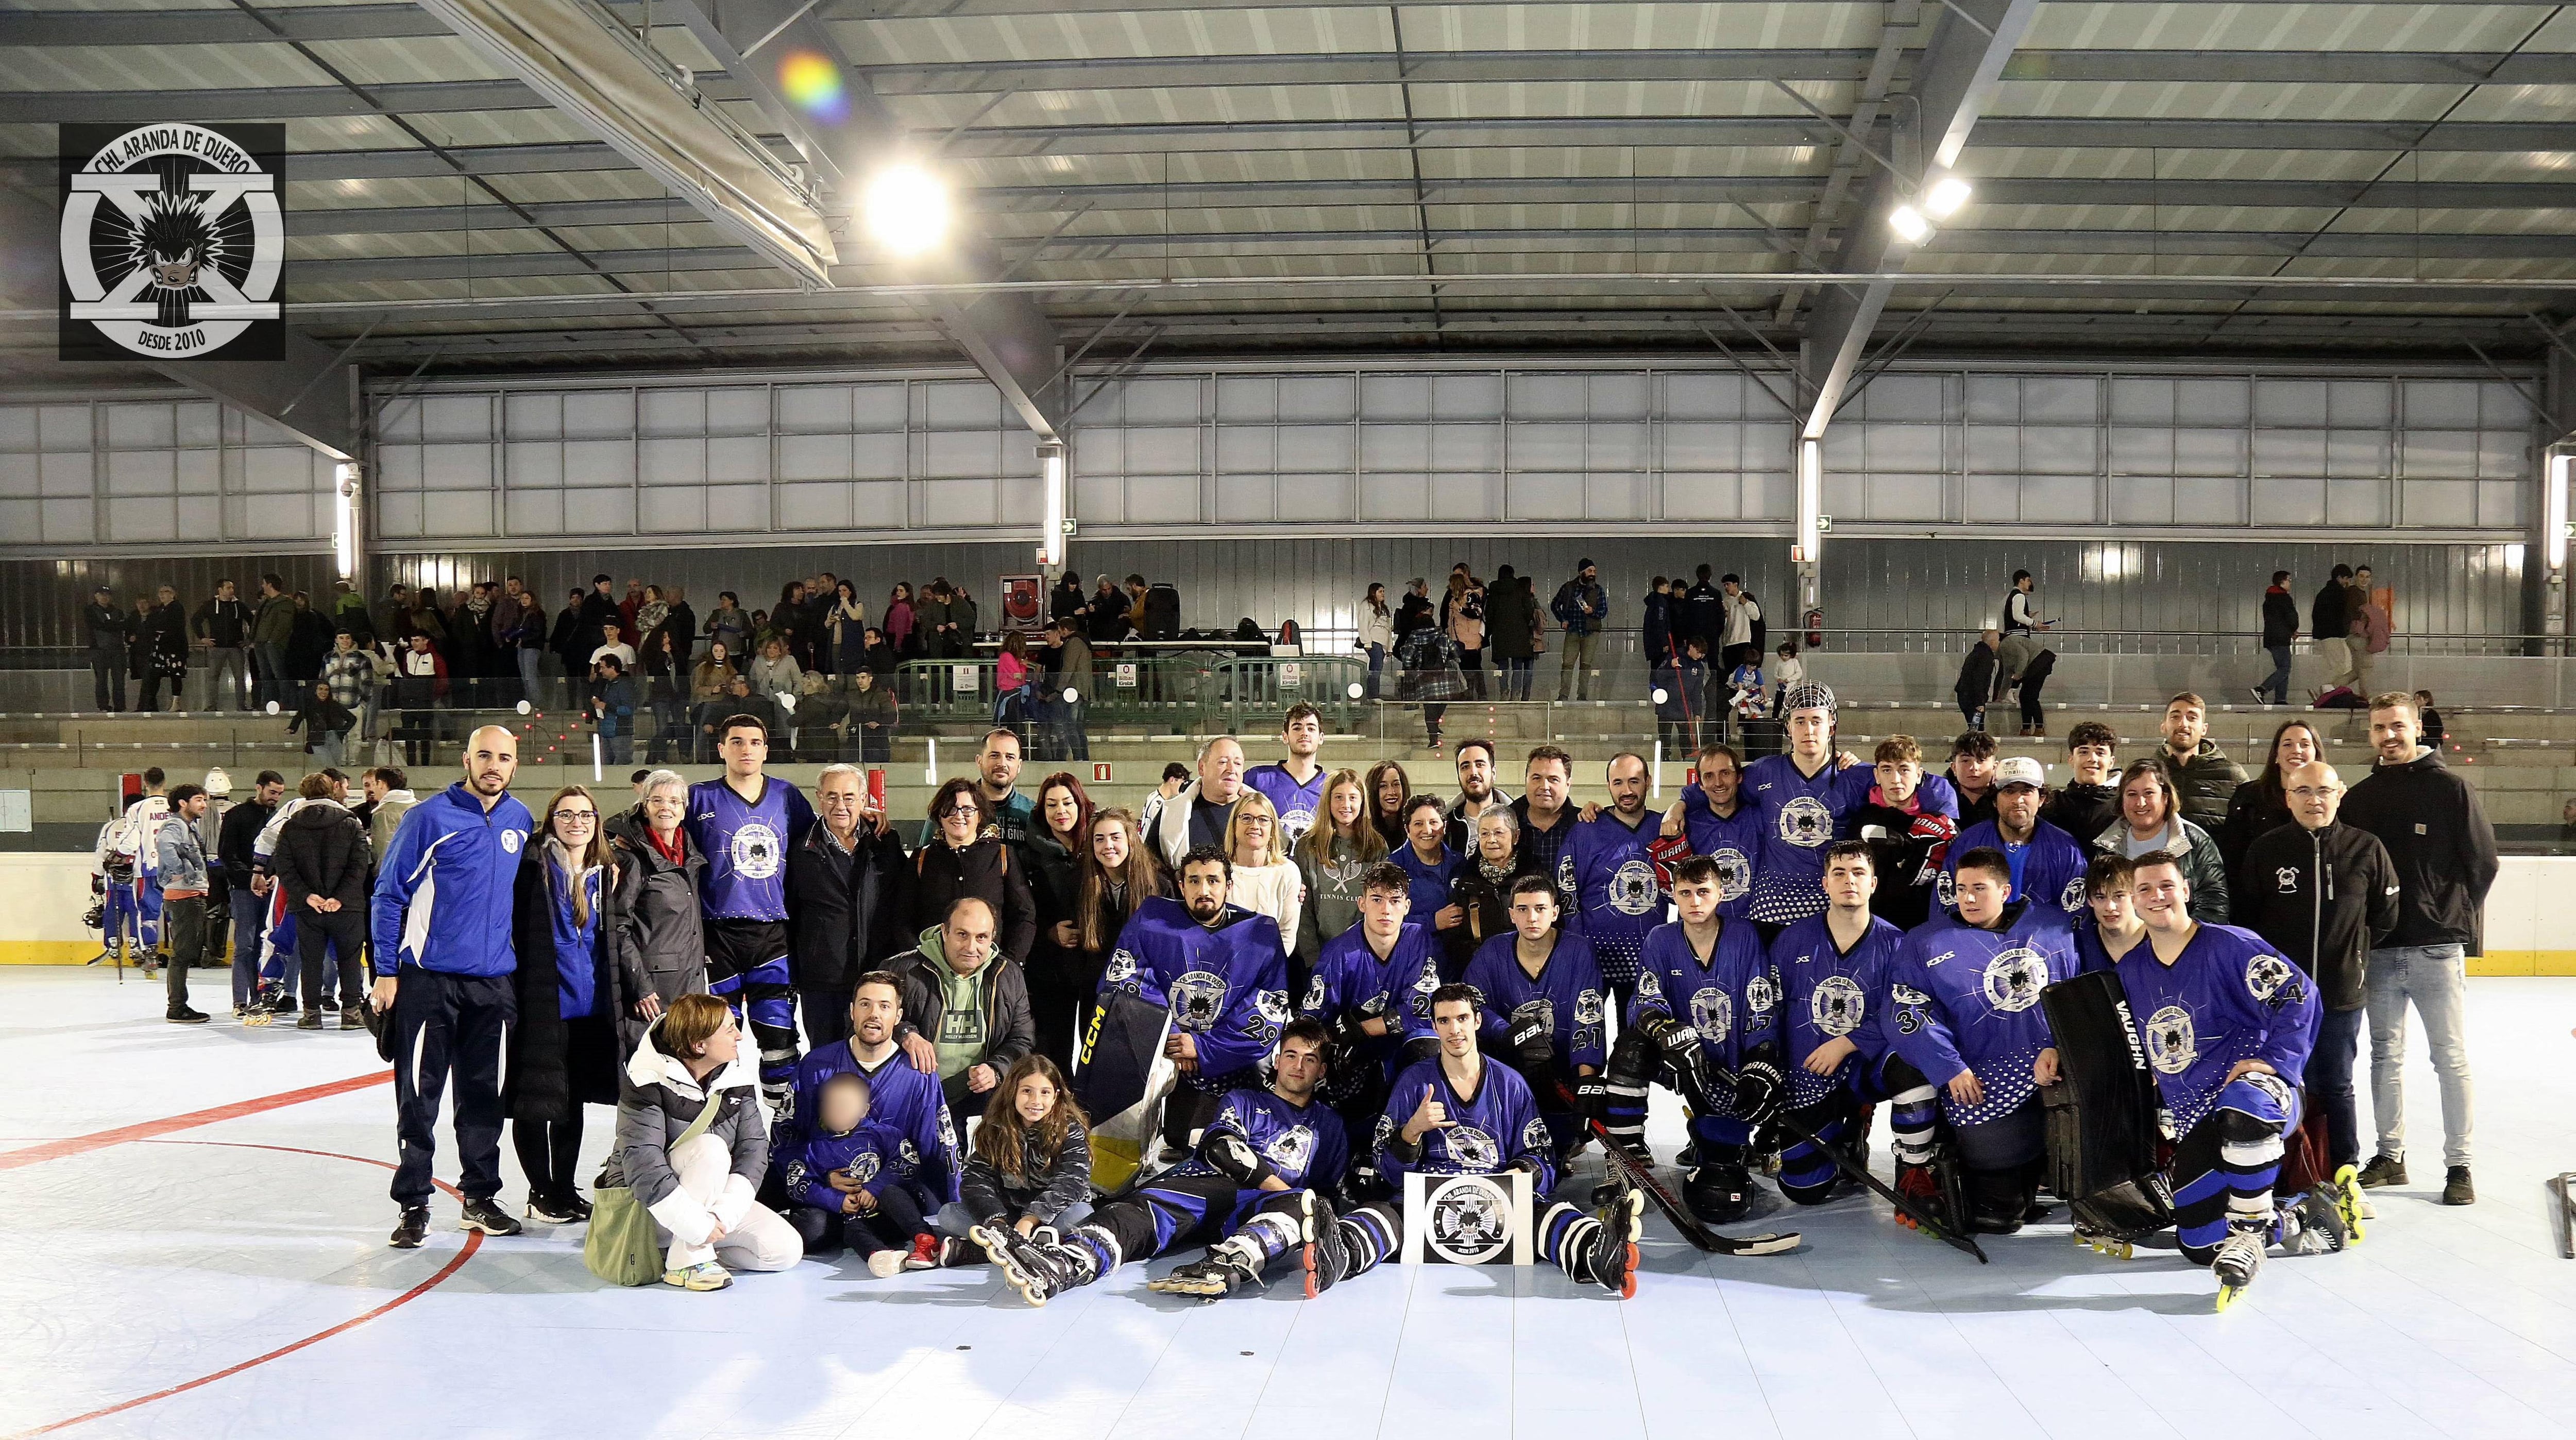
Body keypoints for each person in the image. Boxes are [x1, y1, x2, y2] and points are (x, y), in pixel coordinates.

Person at [2052, 851, 2336, 1306]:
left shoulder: (2232, 945)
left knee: (2242, 1110)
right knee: (2200, 1244)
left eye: (2165, 885)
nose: (2155, 895)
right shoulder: (2132, 969)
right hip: (2194, 1121)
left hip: (2257, 1099)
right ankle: (2301, 1216)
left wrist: (2276, 1060)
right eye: (2144, 889)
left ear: (2186, 890)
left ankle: (2248, 1234)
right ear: (2136, 903)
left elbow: (2299, 994)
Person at [982, 1020, 1349, 1306]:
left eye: (1310, 1059)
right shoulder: (1244, 1100)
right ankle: (1064, 1264)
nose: (1298, 1066)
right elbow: (1224, 1150)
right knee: (1134, 1216)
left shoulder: (1331, 1127)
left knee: (1308, 1205)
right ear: (1278, 1059)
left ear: (1321, 1071)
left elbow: (1327, 1197)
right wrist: (1286, 1190)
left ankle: (1232, 1260)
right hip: (1208, 1186)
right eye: (1291, 1054)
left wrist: (1296, 1202)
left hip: (1261, 1210)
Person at [1325, 985, 1642, 1298]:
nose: (1454, 1030)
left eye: (1462, 1018)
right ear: (1434, 1026)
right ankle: (1339, 1253)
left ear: (1477, 1021)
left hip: (1498, 1200)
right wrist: (1412, 1131)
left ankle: (1597, 1253)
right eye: (1445, 1021)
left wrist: (1520, 1175)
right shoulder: (1413, 1082)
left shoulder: (1510, 1083)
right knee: (1384, 1215)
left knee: (1548, 1214)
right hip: (1430, 1201)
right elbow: (1389, 1172)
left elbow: (1541, 1156)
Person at [371, 725, 537, 1248]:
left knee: (485, 1096)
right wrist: (385, 969)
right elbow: (387, 894)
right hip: (429, 979)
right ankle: (414, 1201)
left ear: (515, 765)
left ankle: (480, 1195)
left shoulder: (520, 819)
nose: (493, 765)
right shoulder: (428, 818)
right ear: (466, 758)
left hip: (494, 982)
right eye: (484, 755)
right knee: (418, 1099)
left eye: (503, 757)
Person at [2340, 691, 2494, 1206]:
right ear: (2370, 733)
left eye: (2397, 726)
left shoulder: (2451, 789)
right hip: (2380, 952)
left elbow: (2482, 863)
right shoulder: (2358, 798)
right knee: (2384, 1057)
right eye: (2378, 727)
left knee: (2449, 1057)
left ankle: (2459, 1164)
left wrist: (2449, 915)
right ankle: (2390, 1156)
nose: (2388, 735)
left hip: (2435, 949)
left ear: (2417, 728)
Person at [1885, 846, 2079, 1234]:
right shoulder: (1926, 941)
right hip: (1981, 1079)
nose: (1969, 898)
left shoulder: (2057, 927)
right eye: (1961, 888)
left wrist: (2062, 1045)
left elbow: (2081, 995)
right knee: (1999, 1217)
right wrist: (1949, 1066)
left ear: (2005, 890)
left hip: (2056, 1071)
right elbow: (1905, 1010)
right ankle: (1938, 1158)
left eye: (1979, 888)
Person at [2234, 759, 2398, 1208]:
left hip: (2342, 994)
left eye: (2323, 790)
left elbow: (2383, 918)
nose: (2314, 799)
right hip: (2281, 1001)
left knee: (2337, 1084)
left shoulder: (2366, 849)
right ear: (2288, 796)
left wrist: (2353, 957)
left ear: (2339, 793)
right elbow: (2247, 921)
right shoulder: (2266, 850)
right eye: (2303, 791)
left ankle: (2345, 1172)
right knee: (2287, 1083)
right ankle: (2289, 1174)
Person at [1600, 855, 1785, 1223]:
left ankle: (1734, 1138)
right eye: (1686, 892)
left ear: (1721, 893)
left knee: (1719, 1186)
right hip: (1684, 1062)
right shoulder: (1660, 938)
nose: (1695, 901)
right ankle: (1626, 1158)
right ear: (1673, 895)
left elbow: (1761, 1003)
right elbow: (1645, 998)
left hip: (1733, 1069)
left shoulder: (1743, 936)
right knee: (1630, 1048)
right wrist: (1663, 1028)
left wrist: (1760, 1058)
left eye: (1704, 891)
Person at [1095, 846, 1291, 1144]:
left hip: (1227, 1061)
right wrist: (1172, 1038)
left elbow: (1268, 1008)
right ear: (1180, 884)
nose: (1204, 890)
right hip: (1165, 1051)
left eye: (1213, 880)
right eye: (1194, 880)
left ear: (1229, 885)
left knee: (1222, 1145)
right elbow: (1125, 980)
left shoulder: (1260, 933)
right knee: (1163, 1139)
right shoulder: (1152, 920)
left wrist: (1202, 1047)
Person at [502, 785, 629, 1224]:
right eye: (567, 814)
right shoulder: (532, 869)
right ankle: (541, 1191)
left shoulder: (606, 872)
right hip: (542, 1003)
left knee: (570, 1103)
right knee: (536, 1101)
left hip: (589, 1008)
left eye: (586, 815)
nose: (577, 822)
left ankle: (565, 1188)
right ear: (551, 820)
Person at [613, 995, 801, 1290]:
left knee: (783, 1251)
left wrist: (721, 1215)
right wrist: (696, 1226)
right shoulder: (646, 1079)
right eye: (730, 1029)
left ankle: (687, 1250)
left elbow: (753, 1149)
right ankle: (687, 1262)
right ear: (699, 1045)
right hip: (647, 1208)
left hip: (707, 1201)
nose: (739, 1035)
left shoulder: (735, 1078)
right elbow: (643, 1164)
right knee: (710, 1148)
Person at [684, 715, 817, 1114]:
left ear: (766, 749)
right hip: (716, 936)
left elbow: (821, 841)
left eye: (755, 742)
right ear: (721, 748)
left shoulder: (787, 796)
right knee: (713, 1041)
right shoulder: (698, 797)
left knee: (779, 1039)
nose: (746, 749)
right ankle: (710, 1131)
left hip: (772, 935)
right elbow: (652, 825)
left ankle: (785, 1131)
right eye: (737, 741)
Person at [781, 973, 962, 1254]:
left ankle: (868, 1236)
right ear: (852, 1011)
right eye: (865, 1004)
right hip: (832, 1194)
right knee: (811, 1232)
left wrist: (954, 1208)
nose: (874, 1014)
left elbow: (937, 1146)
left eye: (885, 1006)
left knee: (900, 1215)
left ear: (898, 1016)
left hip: (892, 1195)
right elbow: (788, 1136)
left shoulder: (919, 1074)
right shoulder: (815, 1065)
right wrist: (824, 1179)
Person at [1768, 842, 1908, 1206]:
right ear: (1825, 884)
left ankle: (1914, 1168)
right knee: (1804, 1189)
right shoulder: (1791, 940)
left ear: (1874, 883)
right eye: (1839, 873)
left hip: (1867, 1067)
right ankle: (1842, 1136)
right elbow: (1771, 1009)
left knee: (1913, 1067)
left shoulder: (1897, 943)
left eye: (1859, 873)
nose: (1850, 881)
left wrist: (1848, 1042)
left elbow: (1906, 1014)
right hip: (1809, 1072)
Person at [1302, 860, 1444, 1182]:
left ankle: (1421, 1149)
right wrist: (1333, 1046)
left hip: (1398, 1043)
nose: (1386, 910)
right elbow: (1314, 1021)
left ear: (1407, 907)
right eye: (1377, 899)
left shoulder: (1418, 938)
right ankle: (1353, 1152)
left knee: (1428, 1046)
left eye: (1395, 901)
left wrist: (1364, 1029)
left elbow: (1421, 1011)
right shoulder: (1338, 953)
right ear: (1362, 903)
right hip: (1355, 1052)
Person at [1460, 873, 1606, 1160]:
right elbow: (1470, 1005)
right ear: (1511, 914)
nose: (1532, 918)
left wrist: (1586, 1081)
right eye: (1523, 910)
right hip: (1509, 1067)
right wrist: (1505, 1032)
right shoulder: (1493, 951)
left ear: (1555, 912)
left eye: (1540, 909)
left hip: (1561, 1070)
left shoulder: (1578, 950)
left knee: (1559, 1144)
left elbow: (1589, 1017)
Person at [783, 764, 905, 1052]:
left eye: (849, 797)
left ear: (864, 800)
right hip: (823, 980)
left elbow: (900, 903)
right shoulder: (800, 850)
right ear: (819, 798)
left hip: (877, 975)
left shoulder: (885, 842)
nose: (841, 805)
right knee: (827, 1061)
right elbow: (791, 912)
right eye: (832, 797)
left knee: (874, 1058)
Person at [778, 1070, 950, 1274]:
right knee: (849, 1229)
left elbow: (908, 1161)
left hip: (892, 1214)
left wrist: (875, 1188)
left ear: (864, 1110)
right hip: (853, 1219)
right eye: (832, 1106)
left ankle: (926, 1241)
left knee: (892, 1194)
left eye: (846, 1106)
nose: (839, 1111)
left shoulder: (884, 1134)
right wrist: (835, 1200)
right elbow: (797, 1184)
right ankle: (880, 1256)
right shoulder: (812, 1149)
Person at [891, 896, 1037, 1117]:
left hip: (980, 1102)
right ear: (944, 931)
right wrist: (906, 1034)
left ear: (992, 938)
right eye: (962, 935)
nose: (971, 947)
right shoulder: (902, 969)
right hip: (910, 1098)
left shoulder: (1009, 975)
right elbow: (862, 1023)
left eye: (981, 937)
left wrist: (997, 1070)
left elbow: (1022, 1038)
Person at [1743, 683, 1873, 931]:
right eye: (1800, 721)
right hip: (1772, 906)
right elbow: (1719, 785)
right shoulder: (1765, 771)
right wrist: (1682, 804)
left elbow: (1914, 783)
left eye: (1816, 720)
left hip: (1831, 904)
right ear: (1788, 728)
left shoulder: (1855, 776)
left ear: (1831, 727)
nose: (1809, 730)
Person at [602, 770, 710, 1056]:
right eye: (657, 800)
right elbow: (617, 927)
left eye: (675, 801)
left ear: (684, 810)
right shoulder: (630, 858)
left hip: (689, 983)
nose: (666, 808)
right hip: (653, 993)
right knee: (652, 1072)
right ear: (644, 806)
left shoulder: (690, 855)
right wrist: (640, 985)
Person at [943, 1054, 1094, 1252]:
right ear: (1013, 1092)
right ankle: (1026, 1246)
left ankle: (978, 1252)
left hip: (1050, 1216)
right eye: (1027, 1091)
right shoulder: (996, 1127)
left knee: (1082, 1214)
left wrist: (1031, 1219)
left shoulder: (1070, 1129)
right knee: (948, 1215)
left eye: (1045, 1093)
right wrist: (996, 1221)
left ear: (1056, 1096)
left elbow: (1072, 1181)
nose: (1036, 1101)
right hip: (1007, 1217)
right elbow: (976, 1180)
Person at [273, 768, 371, 1031]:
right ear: (333, 790)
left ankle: (311, 1014)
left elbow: (284, 866)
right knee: (350, 959)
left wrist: (307, 896)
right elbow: (360, 863)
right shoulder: (351, 822)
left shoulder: (291, 825)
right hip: (347, 907)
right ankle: (351, 1013)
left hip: (308, 908)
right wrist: (340, 897)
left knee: (311, 959)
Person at [1941, 757, 2090, 923]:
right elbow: (1947, 907)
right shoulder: (1968, 844)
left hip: (2041, 947)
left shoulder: (2067, 850)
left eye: (2027, 791)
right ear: (1994, 800)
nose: (2018, 800)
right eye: (2008, 791)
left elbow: (2075, 916)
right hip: (1976, 944)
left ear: (2041, 799)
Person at [1565, 752, 1662, 1005]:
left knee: (1637, 1038)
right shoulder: (1586, 831)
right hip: (1595, 954)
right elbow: (1566, 890)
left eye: (1634, 781)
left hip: (1649, 957)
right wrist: (1577, 945)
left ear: (1648, 782)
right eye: (1618, 782)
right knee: (1585, 1030)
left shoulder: (1665, 829)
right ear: (1608, 785)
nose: (1626, 790)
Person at [909, 777, 1039, 965]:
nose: (959, 816)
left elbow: (1024, 915)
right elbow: (903, 919)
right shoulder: (922, 858)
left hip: (991, 971)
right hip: (932, 972)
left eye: (968, 809)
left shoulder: (1003, 855)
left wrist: (1009, 964)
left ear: (980, 815)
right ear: (939, 816)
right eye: (950, 809)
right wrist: (920, 963)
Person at [1843, 735, 1957, 930]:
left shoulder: (1939, 822)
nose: (1896, 780)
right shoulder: (1861, 820)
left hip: (1926, 925)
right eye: (1887, 770)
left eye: (1904, 769)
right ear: (1877, 775)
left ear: (1919, 774)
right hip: (1872, 926)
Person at [1074, 807, 1165, 1048]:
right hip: (1096, 997)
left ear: (1131, 840)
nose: (1108, 846)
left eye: (1116, 837)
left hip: (1145, 997)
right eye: (1099, 839)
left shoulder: (1158, 886)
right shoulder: (1082, 886)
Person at [2097, 759, 2230, 922]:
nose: (2141, 803)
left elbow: (2214, 906)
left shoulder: (2196, 842)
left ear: (2166, 797)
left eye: (2149, 793)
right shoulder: (2105, 848)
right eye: (2132, 794)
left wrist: (2182, 940)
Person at [1020, 772, 1093, 1069]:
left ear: (1081, 805)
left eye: (1068, 802)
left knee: (1096, 1053)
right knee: (1052, 1055)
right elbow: (1020, 913)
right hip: (1049, 971)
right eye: (1052, 805)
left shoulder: (1100, 847)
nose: (1061, 811)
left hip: (1093, 968)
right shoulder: (1027, 856)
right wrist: (1050, 934)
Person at [1654, 740, 1764, 925]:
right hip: (1702, 932)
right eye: (1709, 776)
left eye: (1725, 773)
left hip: (1753, 929)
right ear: (1701, 784)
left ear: (1739, 777)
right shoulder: (1686, 825)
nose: (1718, 782)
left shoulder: (1762, 818)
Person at [1294, 768, 1386, 966]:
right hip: (1316, 958)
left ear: (1362, 803)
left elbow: (1378, 907)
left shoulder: (1377, 847)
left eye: (1353, 798)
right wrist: (1314, 960)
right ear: (1328, 801)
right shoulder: (1308, 845)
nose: (1346, 805)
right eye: (1338, 797)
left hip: (1361, 957)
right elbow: (1302, 909)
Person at [220, 770, 285, 1017]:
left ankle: (262, 997)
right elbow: (227, 854)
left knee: (267, 943)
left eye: (279, 794)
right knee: (245, 946)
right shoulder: (236, 816)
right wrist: (251, 879)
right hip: (243, 890)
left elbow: (282, 853)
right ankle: (240, 1001)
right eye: (272, 792)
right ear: (259, 788)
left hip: (271, 889)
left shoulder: (279, 817)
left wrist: (276, 875)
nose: (275, 798)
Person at [2218, 719, 2322, 874]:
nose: (2297, 750)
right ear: (2276, 756)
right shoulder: (2248, 798)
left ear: (2316, 754)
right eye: (2288, 744)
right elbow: (2232, 858)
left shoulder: (2332, 800)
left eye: (2305, 744)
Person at [1448, 806, 1538, 976]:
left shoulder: (1535, 877)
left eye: (1498, 833)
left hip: (1528, 970)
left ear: (1516, 836)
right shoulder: (1465, 881)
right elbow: (1455, 939)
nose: (1491, 840)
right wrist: (1483, 959)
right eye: (1485, 834)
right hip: (1480, 971)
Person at [1222, 789, 1304, 964]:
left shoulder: (1288, 872)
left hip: (1269, 970)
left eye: (1263, 820)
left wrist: (1260, 968)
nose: (1255, 826)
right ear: (1234, 825)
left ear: (1273, 828)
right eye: (1246, 818)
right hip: (1223, 965)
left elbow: (1287, 936)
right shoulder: (1218, 870)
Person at [155, 785, 214, 1024]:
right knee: (182, 954)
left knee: (187, 952)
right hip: (184, 896)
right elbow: (165, 845)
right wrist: (180, 872)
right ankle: (177, 1008)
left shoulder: (190, 827)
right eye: (199, 800)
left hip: (191, 894)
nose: (204, 805)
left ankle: (179, 1005)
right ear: (182, 803)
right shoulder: (175, 825)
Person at [1150, 733, 1249, 867]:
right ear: (1202, 767)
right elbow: (1150, 867)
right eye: (1223, 762)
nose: (1232, 770)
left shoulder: (1260, 814)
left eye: (1238, 763)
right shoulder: (1171, 813)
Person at [1389, 794, 1464, 959]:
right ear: (1407, 829)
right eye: (1418, 824)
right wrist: (1433, 922)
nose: (1427, 830)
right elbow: (1386, 919)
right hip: (1412, 961)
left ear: (1444, 827)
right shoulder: (1393, 867)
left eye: (1433, 822)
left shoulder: (1460, 863)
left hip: (1456, 963)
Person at [1244, 703, 1329, 845]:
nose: (1304, 733)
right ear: (1285, 737)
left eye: (1311, 728)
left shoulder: (1331, 786)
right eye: (1297, 728)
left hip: (1315, 866)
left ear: (1321, 738)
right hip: (1270, 866)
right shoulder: (1258, 779)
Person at [1513, 745, 1581, 915]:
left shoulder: (1585, 827)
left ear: (1568, 784)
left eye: (1553, 779)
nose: (1544, 786)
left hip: (1573, 927)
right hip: (1519, 929)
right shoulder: (1506, 826)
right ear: (1526, 781)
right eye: (1536, 778)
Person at [2042, 721, 2123, 843]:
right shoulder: (2051, 805)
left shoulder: (2124, 806)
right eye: (2084, 752)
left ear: (2111, 762)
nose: (2092, 759)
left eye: (2100, 753)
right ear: (2071, 759)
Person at [1437, 739, 1512, 855]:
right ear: (1459, 776)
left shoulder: (1517, 819)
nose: (1473, 772)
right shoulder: (1445, 824)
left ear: (1493, 773)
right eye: (1465, 767)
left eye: (1480, 764)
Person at [190, 579, 253, 711]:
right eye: (229, 588)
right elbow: (195, 620)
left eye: (232, 588)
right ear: (220, 590)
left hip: (235, 647)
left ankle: (241, 706)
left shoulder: (239, 606)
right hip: (216, 647)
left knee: (240, 678)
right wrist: (203, 638)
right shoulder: (210, 605)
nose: (232, 591)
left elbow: (253, 622)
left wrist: (248, 640)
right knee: (213, 678)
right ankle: (212, 706)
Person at [1550, 558, 1606, 701]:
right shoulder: (1568, 588)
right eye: (1590, 571)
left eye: (1594, 571)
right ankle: (1564, 694)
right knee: (1568, 663)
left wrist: (1592, 612)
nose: (1593, 574)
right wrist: (1563, 619)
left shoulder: (1598, 590)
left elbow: (1604, 611)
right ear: (1581, 572)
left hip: (1591, 631)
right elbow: (1555, 605)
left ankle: (1583, 695)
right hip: (1573, 630)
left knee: (1586, 664)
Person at [1487, 564, 1538, 701]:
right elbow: (1529, 610)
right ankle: (1516, 693)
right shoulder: (1520, 589)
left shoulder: (1494, 590)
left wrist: (1490, 630)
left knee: (1503, 665)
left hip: (1500, 632)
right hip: (1519, 632)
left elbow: (1489, 613)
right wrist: (1525, 622)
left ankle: (1504, 692)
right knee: (1517, 665)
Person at [1655, 636, 1711, 756]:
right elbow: (1658, 676)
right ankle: (1664, 758)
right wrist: (1670, 665)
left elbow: (1697, 692)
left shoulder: (1699, 668)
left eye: (1702, 654)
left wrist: (1697, 712)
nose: (1700, 656)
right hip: (1667, 704)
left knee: (1685, 737)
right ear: (1691, 647)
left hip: (1683, 706)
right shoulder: (1675, 657)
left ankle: (1687, 758)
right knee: (1665, 736)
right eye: (1698, 652)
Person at [2255, 570, 2300, 705]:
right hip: (2281, 638)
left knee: (2283, 668)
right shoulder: (2284, 598)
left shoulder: (2269, 599)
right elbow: (2291, 617)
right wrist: (2293, 629)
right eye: (2289, 580)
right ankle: (2262, 689)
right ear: (2282, 581)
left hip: (2271, 637)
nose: (2290, 583)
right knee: (2285, 669)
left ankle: (2281, 699)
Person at [1444, 567, 1488, 700]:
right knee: (1461, 668)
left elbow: (1477, 613)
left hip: (1470, 639)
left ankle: (1477, 695)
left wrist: (1461, 609)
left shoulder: (1471, 595)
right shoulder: (1454, 599)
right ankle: (1464, 695)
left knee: (1472, 668)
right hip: (1457, 638)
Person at [2312, 563, 2355, 697]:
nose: (2348, 582)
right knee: (2340, 667)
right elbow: (2344, 614)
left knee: (2336, 666)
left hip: (2325, 634)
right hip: (2334, 634)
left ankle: (2330, 693)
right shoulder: (2339, 593)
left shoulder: (2324, 592)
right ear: (2340, 578)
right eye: (2346, 578)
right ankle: (2325, 693)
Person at [85, 585, 130, 711]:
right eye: (102, 594)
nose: (105, 597)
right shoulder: (90, 611)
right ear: (96, 596)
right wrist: (115, 626)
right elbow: (98, 625)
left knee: (119, 680)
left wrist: (111, 626)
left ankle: (120, 706)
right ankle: (103, 706)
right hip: (98, 650)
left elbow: (123, 626)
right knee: (101, 680)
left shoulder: (117, 611)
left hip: (117, 650)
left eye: (107, 595)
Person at [1944, 730, 1999, 831]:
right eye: (1966, 761)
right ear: (1954, 768)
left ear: (1995, 767)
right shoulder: (1940, 800)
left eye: (1981, 760)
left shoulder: (2004, 801)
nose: (1974, 767)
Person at [1954, 629, 2001, 731]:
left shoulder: (1977, 652)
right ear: (1992, 642)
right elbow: (1979, 680)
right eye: (1998, 640)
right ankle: (1973, 746)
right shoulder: (1985, 657)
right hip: (1973, 699)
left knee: (1975, 727)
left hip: (1966, 696)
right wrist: (1980, 702)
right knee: (1977, 728)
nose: (1999, 643)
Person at [1363, 758, 1411, 852]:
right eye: (1383, 786)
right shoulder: (1365, 831)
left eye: (1396, 784)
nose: (1391, 792)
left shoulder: (1413, 826)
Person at [1357, 583, 1395, 700]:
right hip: (1374, 641)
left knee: (1378, 666)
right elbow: (1363, 624)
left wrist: (1389, 648)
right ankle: (1372, 695)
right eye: (1380, 591)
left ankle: (1373, 694)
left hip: (1383, 642)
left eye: (1384, 591)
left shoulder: (1384, 609)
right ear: (1374, 593)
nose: (1383, 594)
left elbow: (1388, 630)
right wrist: (1367, 642)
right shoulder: (1366, 606)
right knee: (1376, 666)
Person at [1139, 760, 1190, 840]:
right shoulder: (1157, 805)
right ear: (1172, 780)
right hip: (1149, 850)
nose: (1182, 787)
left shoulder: (1153, 796)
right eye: (1182, 783)